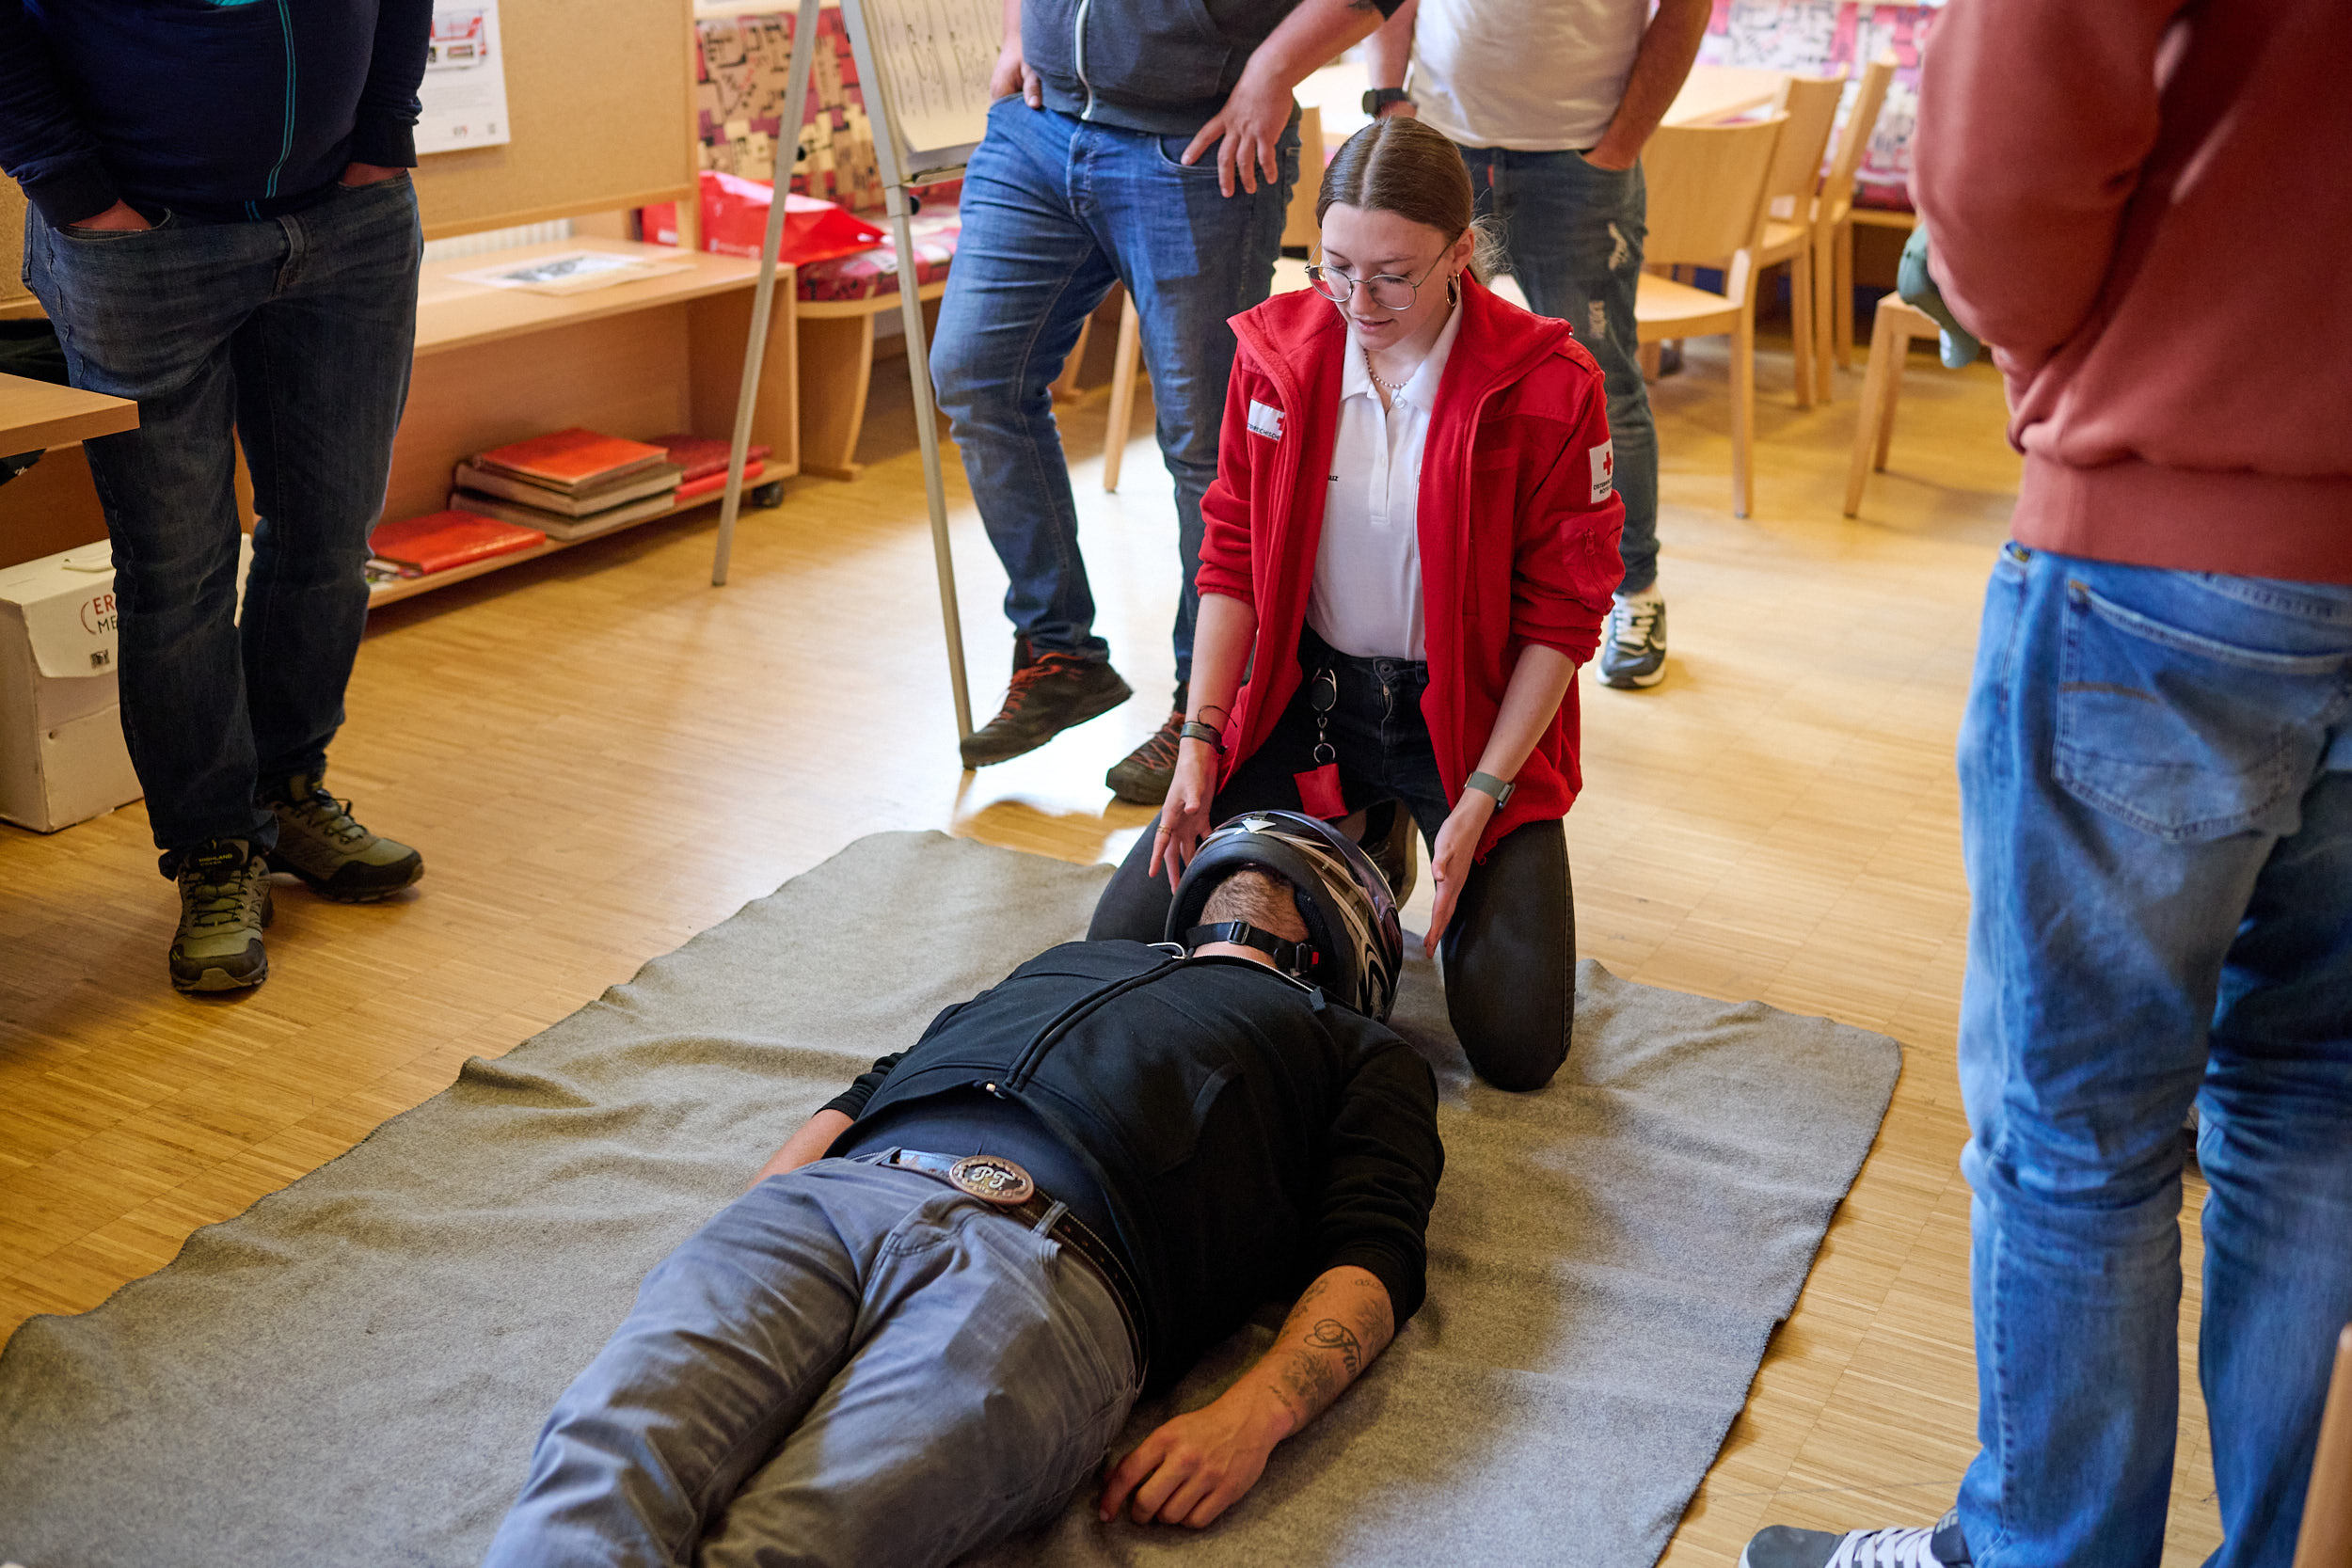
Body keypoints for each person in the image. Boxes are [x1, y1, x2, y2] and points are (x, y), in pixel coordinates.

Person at [1740, 2, 2352, 1566]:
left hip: (2178, 527)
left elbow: (2016, 145)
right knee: (2320, 1100)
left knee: (2081, 1124)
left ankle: (2044, 1551)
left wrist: (2039, 344)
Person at [482, 813, 1441, 1567]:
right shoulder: (1069, 960)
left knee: (794, 1540)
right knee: (601, 1467)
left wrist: (1254, 1416)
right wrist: (751, 1214)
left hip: (1053, 1274)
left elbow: (1376, 1247)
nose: (1259, 872)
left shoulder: (1356, 1048)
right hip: (833, 1202)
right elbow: (870, 1087)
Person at [1087, 117, 1625, 1095]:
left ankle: (1390, 826)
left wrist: (1483, 794)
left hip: (1467, 724)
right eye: (1335, 267)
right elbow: (1231, 559)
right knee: (1119, 950)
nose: (1358, 301)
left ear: (1461, 252)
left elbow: (1563, 616)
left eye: (1393, 276)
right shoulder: (1275, 352)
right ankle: (1362, 827)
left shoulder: (1551, 382)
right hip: (1310, 702)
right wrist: (1202, 739)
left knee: (1516, 1048)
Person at [1, 0, 432, 993]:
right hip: (138, 245)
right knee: (176, 570)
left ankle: (288, 790)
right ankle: (213, 847)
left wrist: (383, 140)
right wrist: (77, 195)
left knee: (329, 537)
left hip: (350, 225)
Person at [934, 0, 1412, 806]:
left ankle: (1208, 711)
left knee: (1206, 446)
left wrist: (1273, 71)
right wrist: (1020, 31)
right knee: (975, 375)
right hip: (1038, 128)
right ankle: (1059, 653)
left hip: (1195, 142)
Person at [1363, 0, 1709, 689]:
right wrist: (1387, 99)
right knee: (1415, 375)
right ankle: (1418, 583)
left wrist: (1618, 147)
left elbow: (1685, 9)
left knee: (1606, 387)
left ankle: (1634, 592)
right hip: (1442, 143)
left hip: (1579, 160)